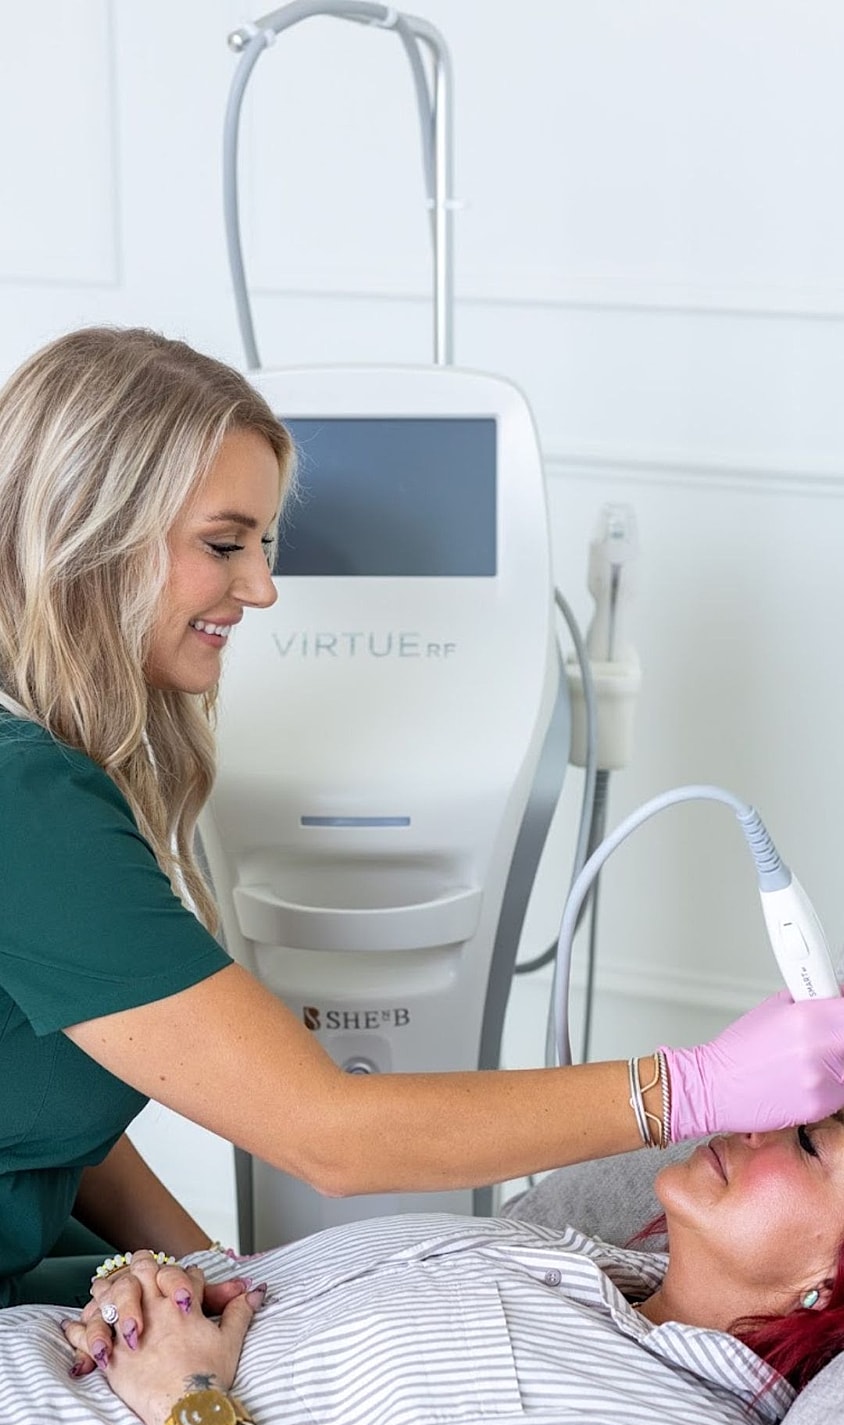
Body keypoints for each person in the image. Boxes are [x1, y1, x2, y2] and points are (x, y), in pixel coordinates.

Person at [2, 324, 844, 1312]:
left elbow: (55, 1098)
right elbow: (330, 1136)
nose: (263, 589)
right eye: (224, 545)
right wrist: (684, 1088)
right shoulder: (30, 805)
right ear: (87, 531)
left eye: (265, 547)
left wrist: (233, 1280)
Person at [55, 1115, 844, 1425]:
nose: (758, 1126)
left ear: (830, 1284)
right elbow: (233, 1287)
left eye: (808, 1146)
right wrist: (149, 1286)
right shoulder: (569, 1254)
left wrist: (186, 1407)